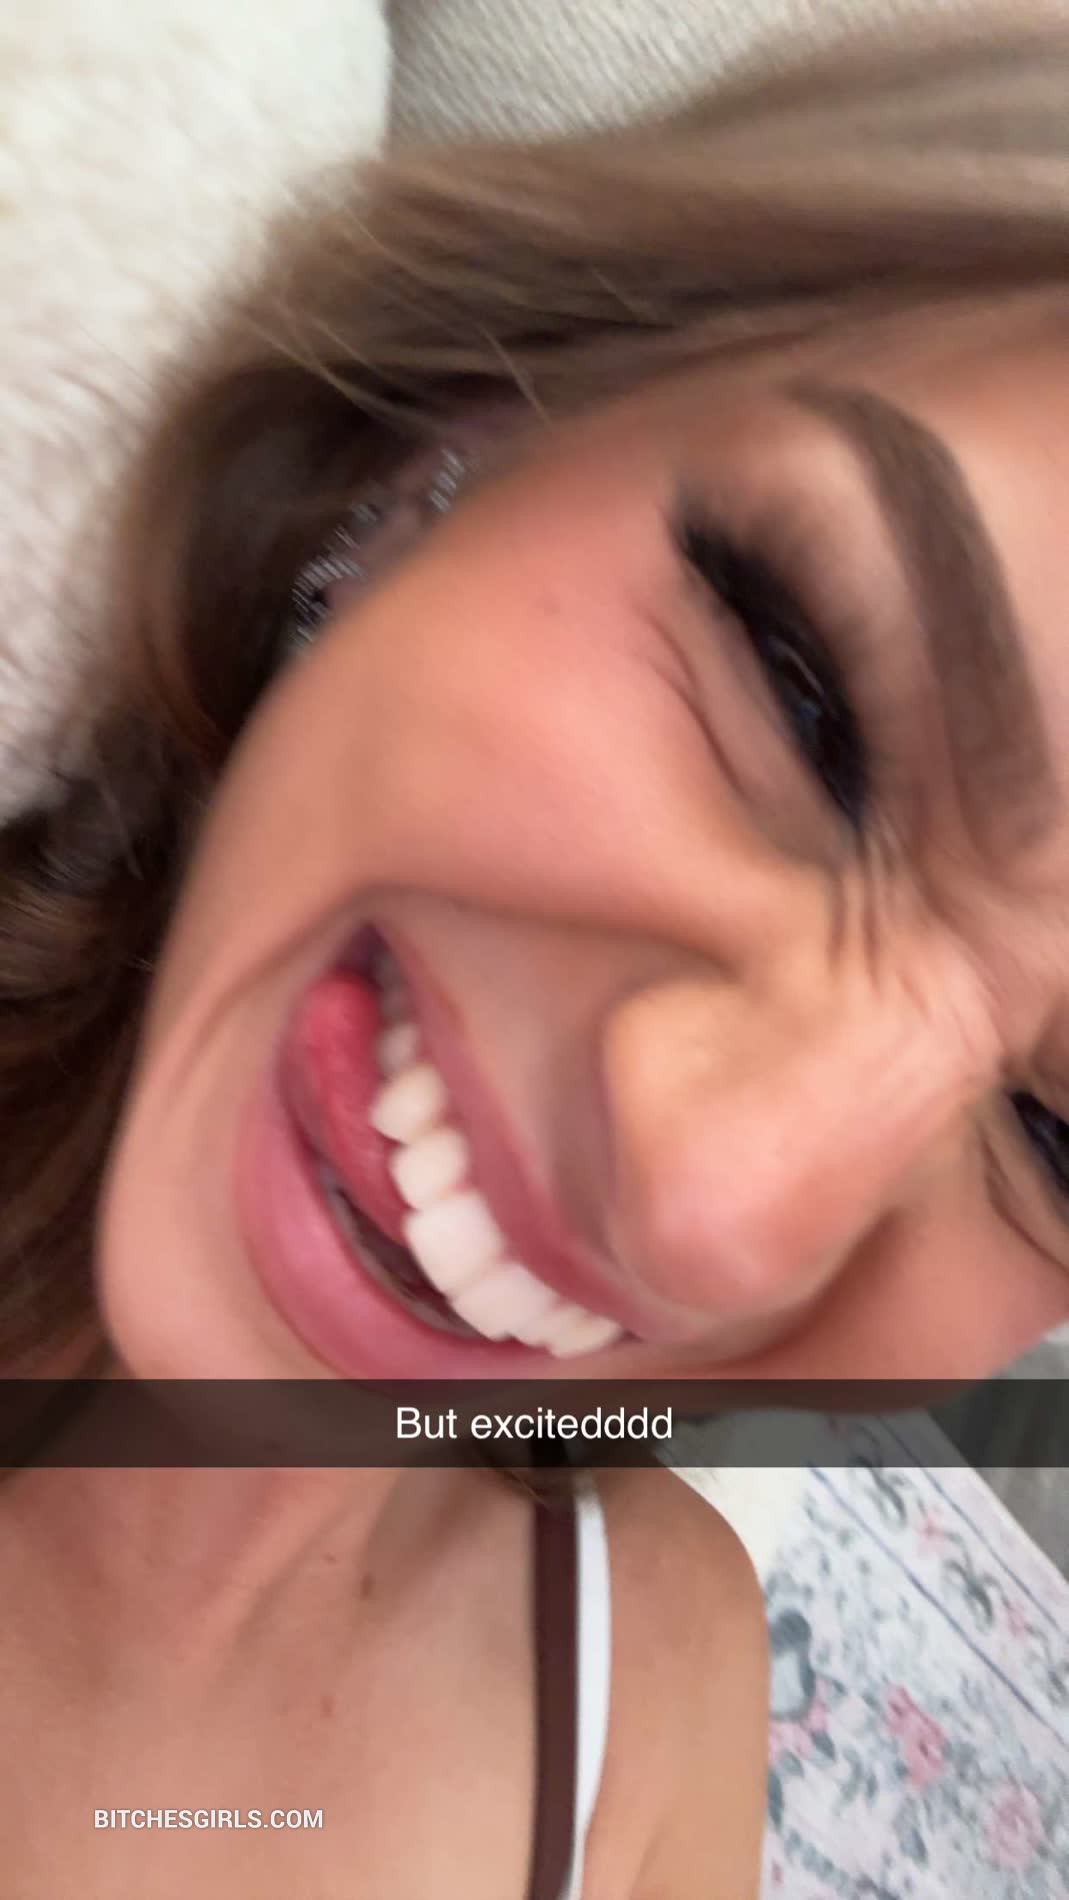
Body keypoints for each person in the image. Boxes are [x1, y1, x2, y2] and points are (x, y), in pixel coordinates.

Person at [3, 9, 1069, 1891]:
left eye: (1061, 1142)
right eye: (806, 696)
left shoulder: (667, 1689)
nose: (714, 1213)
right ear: (461, 431)